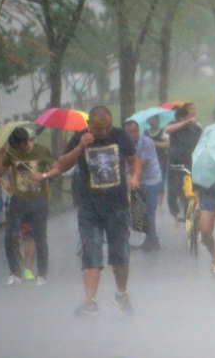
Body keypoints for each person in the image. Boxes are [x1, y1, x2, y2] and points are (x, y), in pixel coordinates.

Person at [34, 106, 141, 316]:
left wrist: (135, 177)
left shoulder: (120, 135)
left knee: (120, 255)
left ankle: (121, 293)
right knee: (90, 253)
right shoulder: (79, 138)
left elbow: (134, 160)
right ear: (90, 125)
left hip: (117, 205)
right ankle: (90, 300)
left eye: (107, 127)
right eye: (99, 128)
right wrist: (79, 148)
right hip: (89, 206)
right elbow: (61, 165)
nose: (103, 132)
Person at [0, 127, 55, 286]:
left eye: (20, 146)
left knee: (39, 237)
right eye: (14, 147)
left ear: (25, 141)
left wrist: (42, 175)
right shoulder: (11, 152)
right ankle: (15, 273)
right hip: (18, 200)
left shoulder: (41, 151)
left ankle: (42, 274)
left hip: (38, 200)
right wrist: (1, 154)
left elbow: (56, 168)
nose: (19, 150)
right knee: (10, 236)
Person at [124, 120, 163, 251]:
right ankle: (141, 238)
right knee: (137, 213)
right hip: (138, 182)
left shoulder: (147, 142)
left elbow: (141, 163)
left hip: (152, 180)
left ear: (139, 130)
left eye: (135, 131)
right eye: (129, 132)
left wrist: (125, 171)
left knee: (149, 211)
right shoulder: (125, 145)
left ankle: (153, 241)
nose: (132, 134)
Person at [164, 102, 202, 226]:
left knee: (192, 190)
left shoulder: (196, 129)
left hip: (191, 163)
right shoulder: (175, 127)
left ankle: (194, 211)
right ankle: (176, 213)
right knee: (173, 190)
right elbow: (168, 130)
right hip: (176, 163)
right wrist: (185, 123)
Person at [145, 114, 169, 209]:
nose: (153, 122)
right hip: (148, 159)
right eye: (151, 120)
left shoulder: (163, 131)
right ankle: (149, 198)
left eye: (154, 120)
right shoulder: (145, 132)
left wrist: (155, 143)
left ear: (158, 121)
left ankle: (160, 204)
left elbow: (167, 143)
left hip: (161, 158)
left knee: (161, 179)